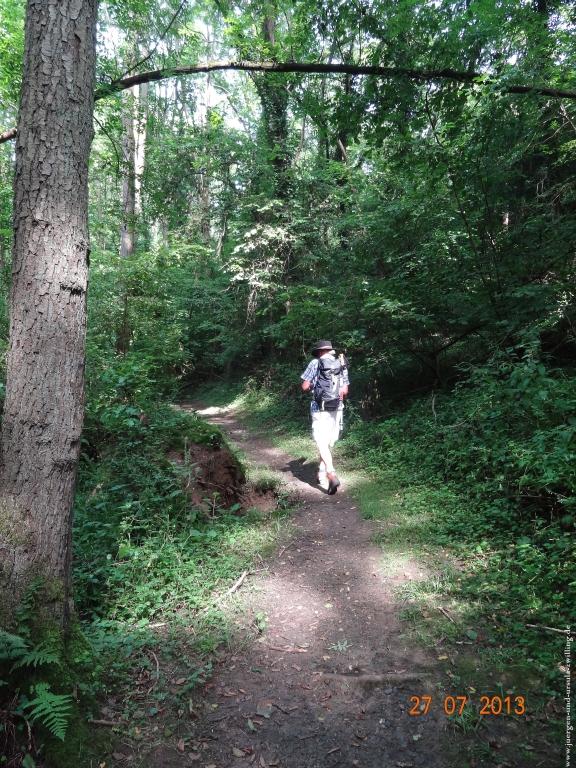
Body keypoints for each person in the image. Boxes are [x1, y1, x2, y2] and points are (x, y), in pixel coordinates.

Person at [300, 340, 349, 494]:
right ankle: (321, 475)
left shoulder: (315, 363)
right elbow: (345, 390)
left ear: (320, 351)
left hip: (319, 408)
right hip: (337, 408)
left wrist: (314, 386)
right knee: (327, 442)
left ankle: (331, 473)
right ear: (330, 350)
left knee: (321, 442)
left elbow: (305, 386)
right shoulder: (341, 363)